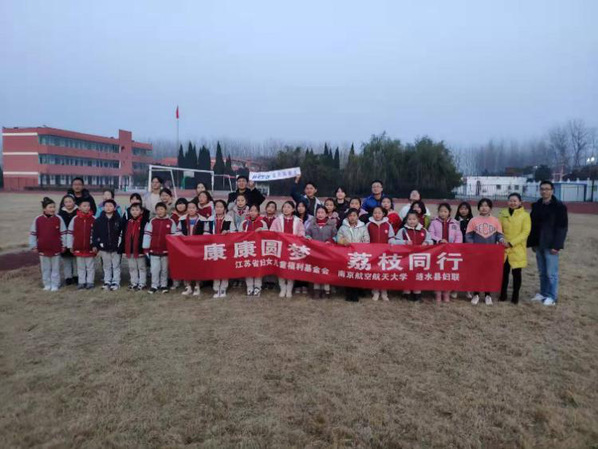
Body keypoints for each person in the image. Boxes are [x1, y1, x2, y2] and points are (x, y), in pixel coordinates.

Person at [527, 180, 568, 306]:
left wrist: (557, 245)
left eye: (547, 189)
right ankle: (543, 293)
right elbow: (532, 225)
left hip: (551, 244)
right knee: (542, 272)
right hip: (538, 243)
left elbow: (562, 227)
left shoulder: (559, 207)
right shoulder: (537, 206)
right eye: (542, 189)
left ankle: (552, 296)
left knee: (551, 273)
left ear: (552, 190)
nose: (544, 191)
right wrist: (532, 242)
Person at [465, 198, 505, 305]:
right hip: (477, 253)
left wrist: (501, 240)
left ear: (490, 208)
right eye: (482, 205)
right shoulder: (473, 220)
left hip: (490, 253)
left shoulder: (495, 221)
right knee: (477, 273)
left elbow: (499, 235)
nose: (484, 208)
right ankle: (476, 294)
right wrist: (473, 247)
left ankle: (488, 295)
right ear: (478, 208)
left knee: (488, 274)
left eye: (486, 205)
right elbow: (468, 236)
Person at [393, 210, 433, 302]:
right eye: (410, 219)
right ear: (406, 220)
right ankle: (406, 292)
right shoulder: (402, 231)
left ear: (418, 220)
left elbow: (431, 240)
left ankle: (417, 292)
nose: (412, 221)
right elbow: (395, 242)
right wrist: (404, 242)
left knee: (418, 274)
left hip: (419, 258)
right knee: (406, 274)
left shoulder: (423, 230)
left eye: (414, 219)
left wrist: (426, 242)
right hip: (406, 258)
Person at [499, 193, 531, 304]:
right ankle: (503, 294)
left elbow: (525, 232)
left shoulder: (525, 216)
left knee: (517, 274)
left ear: (520, 202)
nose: (512, 203)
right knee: (504, 273)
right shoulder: (503, 214)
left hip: (517, 248)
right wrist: (502, 240)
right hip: (504, 248)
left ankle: (515, 295)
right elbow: (499, 229)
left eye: (515, 201)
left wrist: (511, 243)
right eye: (510, 201)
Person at [29, 197, 67, 291]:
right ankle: (47, 284)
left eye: (54, 207)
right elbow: (33, 233)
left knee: (55, 268)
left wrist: (64, 245)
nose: (53, 209)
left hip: (56, 248)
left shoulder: (59, 219)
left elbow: (63, 233)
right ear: (44, 209)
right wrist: (33, 246)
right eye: (50, 207)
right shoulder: (38, 219)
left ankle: (55, 284)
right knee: (45, 268)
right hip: (43, 248)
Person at [428, 203, 463, 303]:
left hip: (451, 252)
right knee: (438, 273)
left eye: (445, 211)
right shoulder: (434, 223)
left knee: (449, 273)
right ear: (438, 212)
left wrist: (455, 246)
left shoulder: (455, 223)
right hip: (437, 251)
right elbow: (430, 234)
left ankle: (446, 293)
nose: (443, 213)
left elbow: (459, 236)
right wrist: (439, 240)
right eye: (441, 211)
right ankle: (438, 293)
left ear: (449, 212)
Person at [271, 201, 305, 298]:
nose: (286, 209)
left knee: (290, 267)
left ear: (293, 209)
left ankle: (289, 288)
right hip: (280, 247)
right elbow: (272, 232)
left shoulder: (298, 221)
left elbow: (302, 233)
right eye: (284, 207)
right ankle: (283, 288)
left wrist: (297, 238)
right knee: (281, 267)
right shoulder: (277, 220)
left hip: (292, 248)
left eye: (288, 207)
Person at [337, 208, 370, 302]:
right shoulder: (343, 227)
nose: (352, 217)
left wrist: (360, 246)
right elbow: (338, 238)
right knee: (348, 274)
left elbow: (367, 240)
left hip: (359, 254)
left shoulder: (363, 227)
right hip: (346, 254)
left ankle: (356, 293)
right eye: (350, 216)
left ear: (358, 216)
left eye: (354, 215)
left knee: (357, 274)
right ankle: (348, 294)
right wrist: (343, 242)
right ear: (347, 217)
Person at [143, 202, 177, 294]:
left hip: (166, 251)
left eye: (161, 209)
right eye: (158, 209)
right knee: (154, 269)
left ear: (165, 210)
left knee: (164, 269)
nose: (160, 211)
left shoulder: (171, 222)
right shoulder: (152, 221)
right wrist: (146, 247)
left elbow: (174, 237)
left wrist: (172, 249)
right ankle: (154, 285)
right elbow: (147, 235)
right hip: (154, 250)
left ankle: (163, 285)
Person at [305, 205, 337, 298]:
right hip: (315, 252)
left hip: (327, 252)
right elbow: (307, 234)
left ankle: (326, 289)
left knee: (326, 270)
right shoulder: (312, 224)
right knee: (316, 270)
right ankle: (316, 289)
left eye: (322, 212)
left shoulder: (331, 225)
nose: (320, 214)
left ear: (326, 214)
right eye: (318, 212)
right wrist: (308, 238)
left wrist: (330, 241)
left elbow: (336, 236)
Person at [92, 199, 122, 291]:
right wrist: (95, 245)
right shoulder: (98, 220)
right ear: (103, 208)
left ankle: (116, 282)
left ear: (114, 208)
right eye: (106, 206)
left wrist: (120, 245)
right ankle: (107, 281)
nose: (108, 208)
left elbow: (122, 233)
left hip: (116, 247)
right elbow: (95, 234)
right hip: (104, 247)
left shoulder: (119, 220)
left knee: (116, 265)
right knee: (106, 265)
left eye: (110, 206)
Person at [366, 205, 395, 301]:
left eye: (379, 213)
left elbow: (391, 238)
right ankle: (375, 291)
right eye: (375, 213)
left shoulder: (388, 225)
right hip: (373, 253)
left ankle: (384, 291)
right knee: (374, 272)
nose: (377, 215)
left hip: (385, 253)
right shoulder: (368, 225)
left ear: (383, 214)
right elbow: (365, 238)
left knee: (384, 272)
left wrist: (391, 245)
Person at [67, 199, 96, 290]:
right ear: (79, 207)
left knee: (90, 266)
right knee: (80, 267)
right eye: (84, 206)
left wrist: (95, 245)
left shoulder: (94, 219)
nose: (87, 207)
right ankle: (81, 282)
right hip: (78, 247)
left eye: (88, 206)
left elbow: (97, 234)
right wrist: (70, 245)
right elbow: (70, 233)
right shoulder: (75, 219)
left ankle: (90, 282)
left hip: (90, 247)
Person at [119, 203, 148, 291]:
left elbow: (146, 237)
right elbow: (124, 236)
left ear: (141, 211)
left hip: (140, 249)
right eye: (132, 210)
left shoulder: (144, 222)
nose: (134, 212)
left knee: (141, 267)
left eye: (137, 210)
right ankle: (134, 282)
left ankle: (142, 283)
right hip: (130, 249)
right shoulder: (128, 222)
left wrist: (143, 250)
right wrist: (124, 249)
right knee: (132, 267)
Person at [176, 201, 203, 296]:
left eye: (193, 207)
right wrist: (183, 238)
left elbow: (206, 233)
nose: (191, 209)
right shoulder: (182, 219)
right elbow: (178, 232)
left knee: (197, 267)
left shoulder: (202, 220)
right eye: (189, 208)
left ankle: (197, 286)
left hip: (197, 247)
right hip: (185, 247)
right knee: (186, 266)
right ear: (187, 209)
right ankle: (188, 286)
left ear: (197, 209)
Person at [241, 204, 268, 297]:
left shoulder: (262, 223)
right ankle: (249, 286)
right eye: (251, 210)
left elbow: (268, 235)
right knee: (248, 267)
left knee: (257, 267)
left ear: (258, 212)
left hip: (259, 249)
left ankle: (257, 286)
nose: (253, 212)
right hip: (247, 249)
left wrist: (262, 230)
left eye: (255, 210)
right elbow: (238, 235)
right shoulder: (244, 223)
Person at [212, 200, 236, 298]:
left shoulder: (229, 218)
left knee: (224, 267)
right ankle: (216, 288)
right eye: (217, 207)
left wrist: (228, 232)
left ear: (225, 209)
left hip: (225, 246)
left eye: (221, 207)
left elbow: (234, 231)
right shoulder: (210, 219)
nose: (219, 209)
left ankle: (223, 288)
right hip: (213, 246)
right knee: (215, 268)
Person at [58, 194, 78, 286]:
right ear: (63, 203)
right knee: (66, 259)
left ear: (74, 202)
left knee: (76, 259)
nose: (68, 203)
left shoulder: (78, 212)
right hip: (64, 239)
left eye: (70, 201)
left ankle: (76, 275)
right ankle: (68, 277)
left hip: (76, 238)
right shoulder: (60, 214)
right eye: (66, 202)